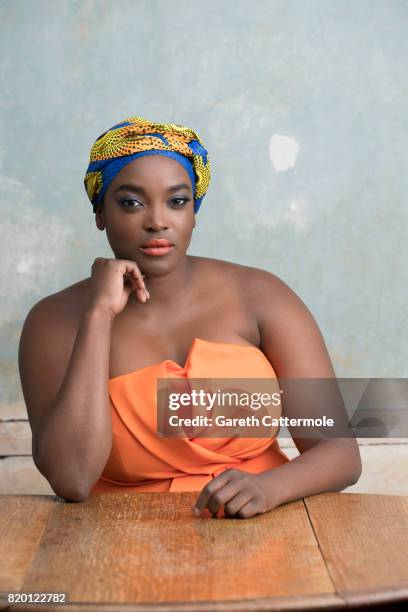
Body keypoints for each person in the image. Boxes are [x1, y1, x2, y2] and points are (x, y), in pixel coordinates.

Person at [18, 116, 362, 519]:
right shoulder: (52, 321)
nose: (158, 220)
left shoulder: (262, 295)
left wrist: (269, 488)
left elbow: (340, 452)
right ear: (100, 214)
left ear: (194, 212)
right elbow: (71, 479)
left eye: (177, 201)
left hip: (267, 532)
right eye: (131, 202)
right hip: (121, 550)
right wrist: (98, 315)